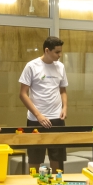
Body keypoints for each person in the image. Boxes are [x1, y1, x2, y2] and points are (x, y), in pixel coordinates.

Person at [19, 36, 68, 172]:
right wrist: (38, 115)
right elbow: (22, 94)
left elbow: (63, 90)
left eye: (60, 52)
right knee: (35, 158)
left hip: (57, 118)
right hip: (36, 120)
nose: (60, 55)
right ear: (47, 50)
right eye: (57, 52)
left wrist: (64, 107)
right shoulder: (31, 66)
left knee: (57, 158)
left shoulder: (60, 67)